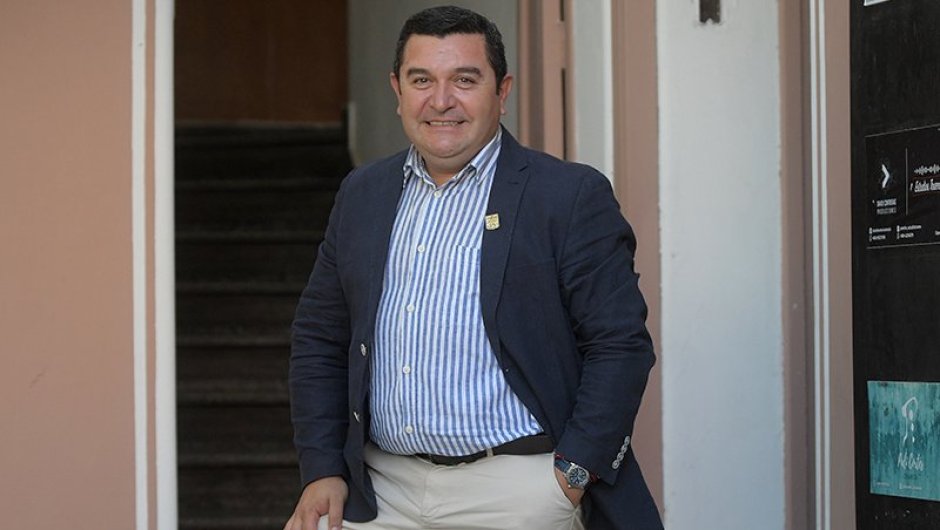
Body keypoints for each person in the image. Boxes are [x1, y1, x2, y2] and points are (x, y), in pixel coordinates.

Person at [285, 6, 661, 530]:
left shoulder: (568, 196)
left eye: (464, 80)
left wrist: (572, 476)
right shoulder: (363, 193)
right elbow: (321, 337)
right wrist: (323, 468)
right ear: (397, 90)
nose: (441, 100)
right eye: (422, 80)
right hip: (382, 493)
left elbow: (620, 344)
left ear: (502, 92)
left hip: (517, 494)